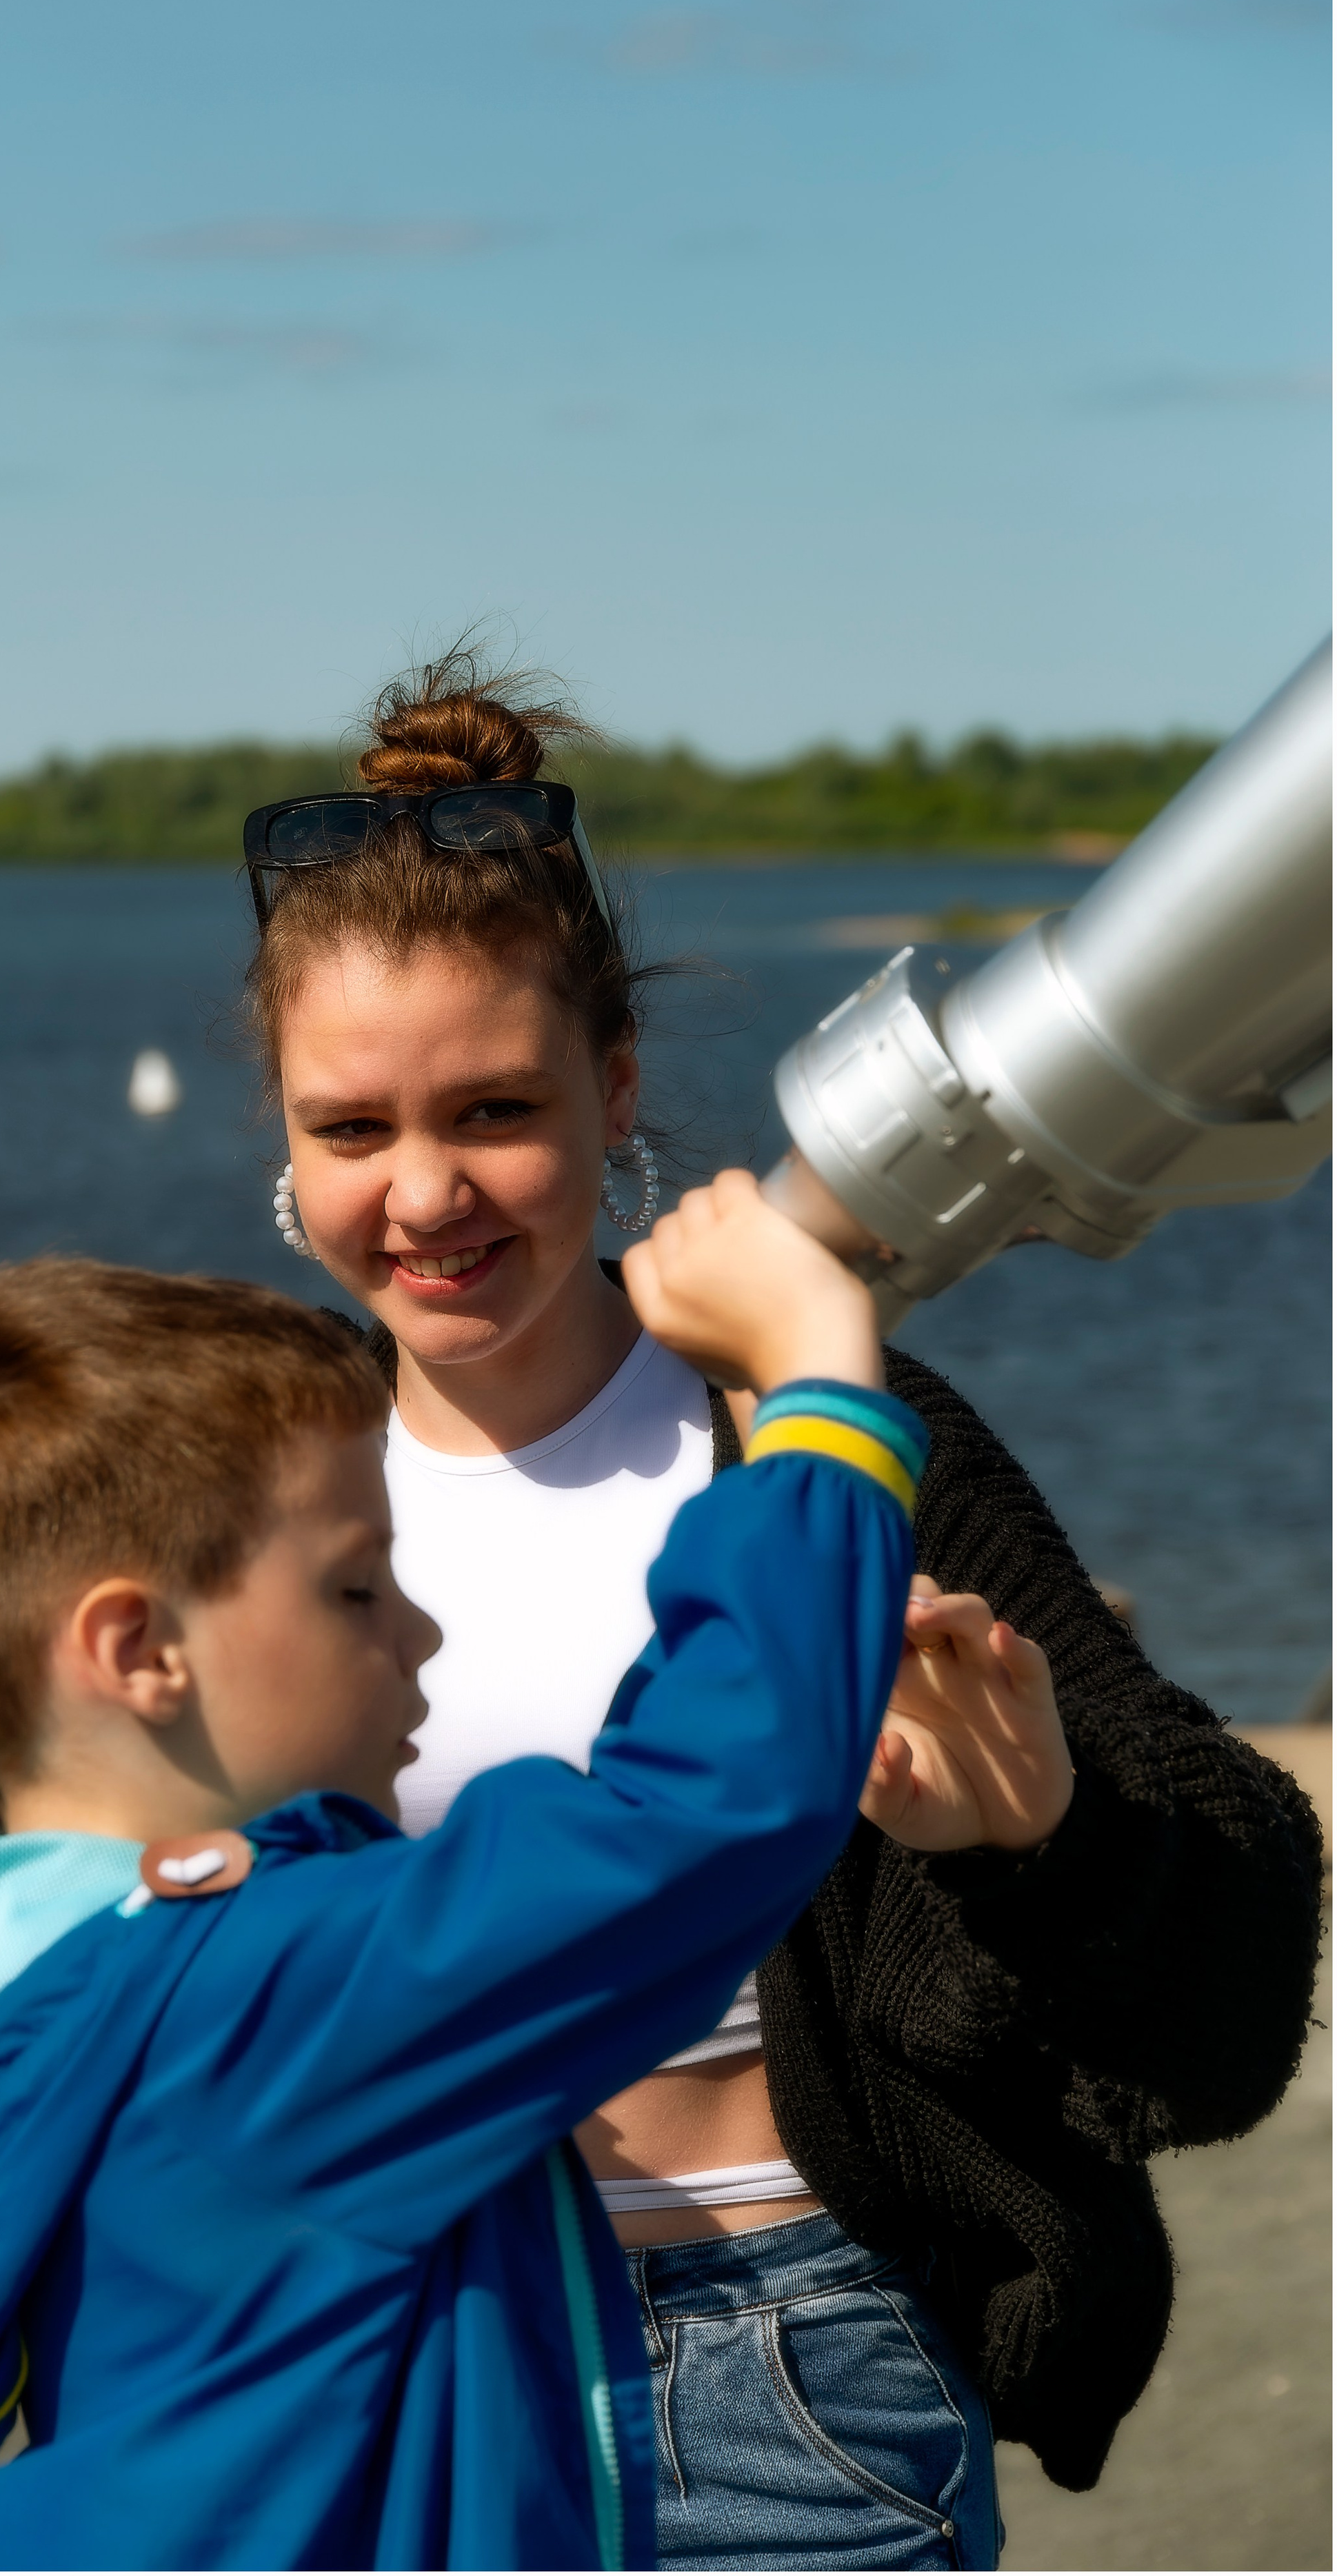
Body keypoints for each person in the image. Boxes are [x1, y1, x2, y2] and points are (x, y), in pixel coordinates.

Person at [241, 650, 1326, 2570]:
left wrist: (1052, 1845)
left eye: (496, 1107)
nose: (425, 1194)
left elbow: (1232, 1977)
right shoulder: (233, 1496)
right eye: (353, 1130)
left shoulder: (806, 1439)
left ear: (620, 1085)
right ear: (283, 1128)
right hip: (391, 2380)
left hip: (796, 2376)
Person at [0, 1202, 931, 2571]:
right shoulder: (250, 2003)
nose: (419, 1631)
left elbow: (599, 1837)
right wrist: (815, 1388)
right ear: (139, 1648)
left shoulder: (39, 1984)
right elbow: (695, 1824)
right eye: (355, 1590)